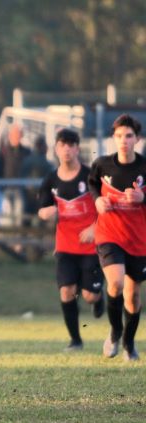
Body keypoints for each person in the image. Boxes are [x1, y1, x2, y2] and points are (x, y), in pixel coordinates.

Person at [37, 129, 103, 352]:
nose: (66, 149)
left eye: (71, 145)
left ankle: (98, 299)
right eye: (62, 145)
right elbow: (43, 209)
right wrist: (45, 213)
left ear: (77, 148)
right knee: (66, 291)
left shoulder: (90, 176)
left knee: (89, 296)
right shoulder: (50, 179)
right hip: (65, 245)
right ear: (56, 149)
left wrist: (94, 227)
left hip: (91, 246)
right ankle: (75, 340)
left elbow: (105, 207)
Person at [88, 113, 146, 362]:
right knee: (116, 284)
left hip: (138, 239)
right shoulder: (102, 165)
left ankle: (128, 344)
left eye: (129, 136)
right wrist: (97, 200)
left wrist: (143, 198)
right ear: (113, 138)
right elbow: (92, 184)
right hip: (110, 234)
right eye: (119, 135)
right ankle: (114, 332)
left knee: (132, 297)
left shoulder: (144, 167)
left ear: (137, 139)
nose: (124, 140)